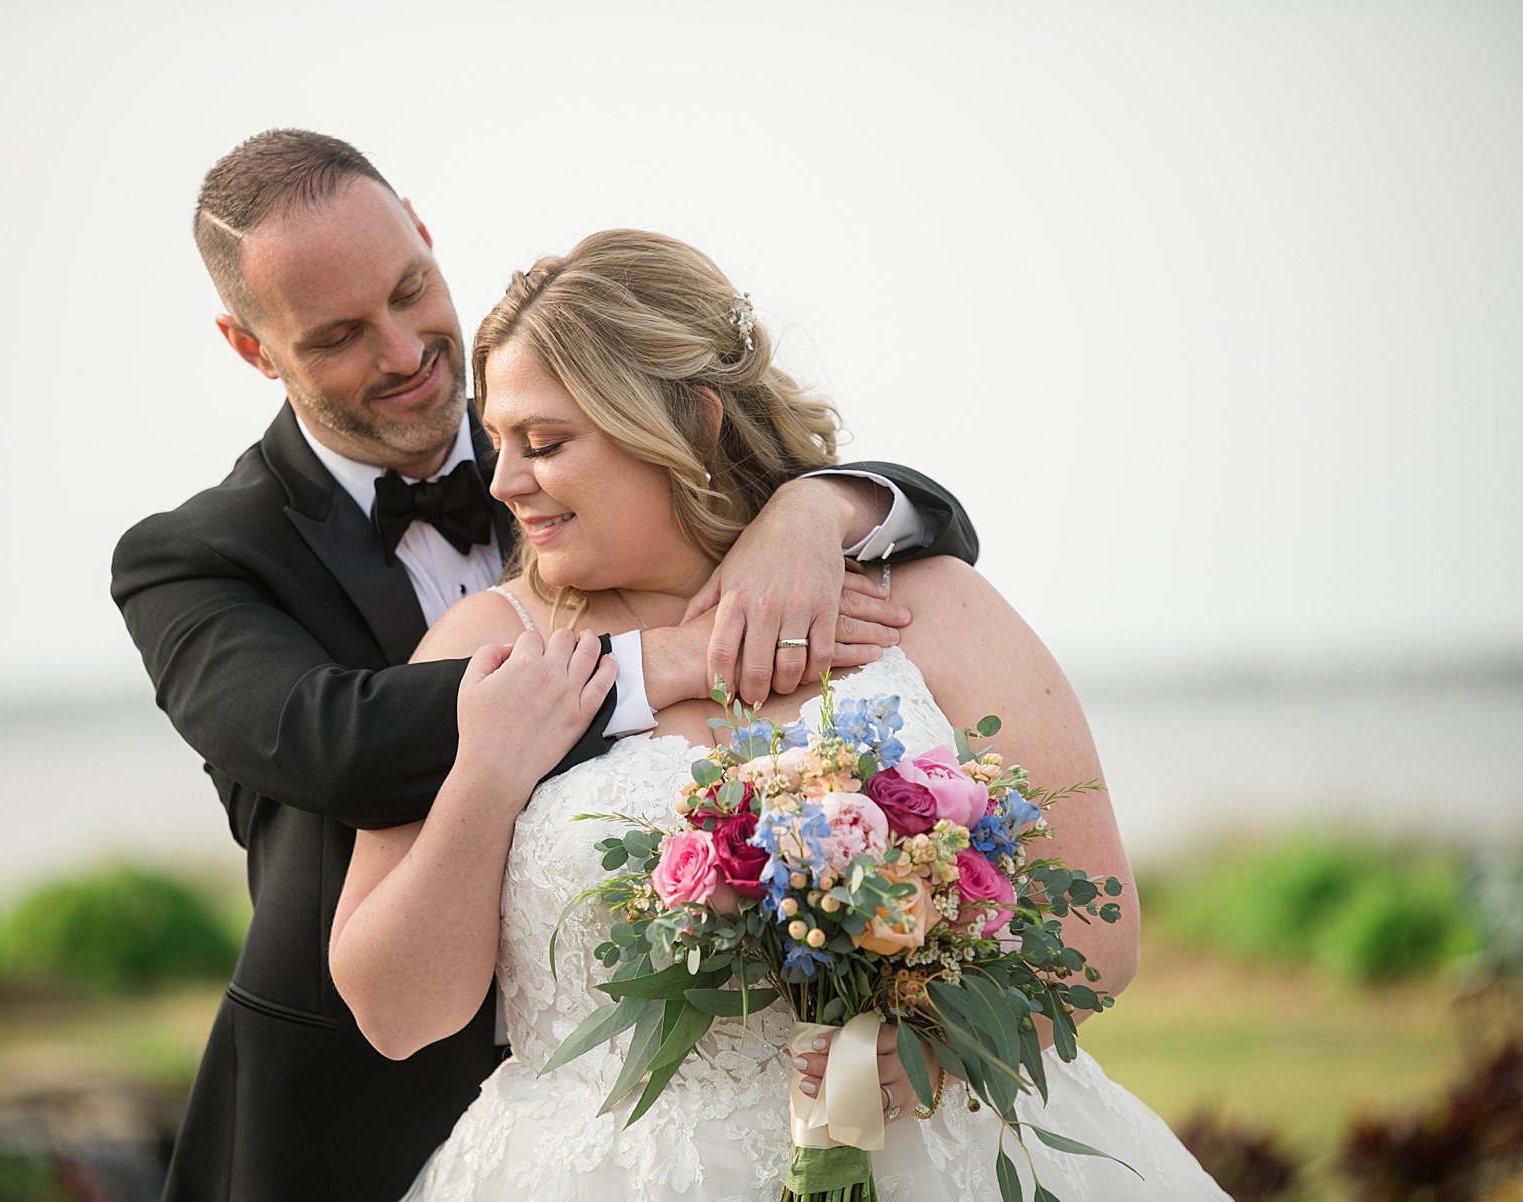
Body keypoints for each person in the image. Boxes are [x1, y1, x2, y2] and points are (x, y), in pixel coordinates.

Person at [110, 131, 981, 1201]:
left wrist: (819, 503)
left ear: (426, 236)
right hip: (352, 1110)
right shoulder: (193, 556)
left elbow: (781, 463)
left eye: (411, 289)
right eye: (338, 334)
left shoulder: (557, 450)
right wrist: (657, 661)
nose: (402, 350)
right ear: (250, 346)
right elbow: (331, 740)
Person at [330, 230, 1233, 1200]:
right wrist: (486, 774)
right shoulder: (484, 647)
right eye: (497, 440)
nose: (503, 482)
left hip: (933, 1151)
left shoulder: (923, 604)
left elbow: (1099, 927)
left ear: (690, 423)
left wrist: (942, 1046)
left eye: (544, 444)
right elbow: (394, 1010)